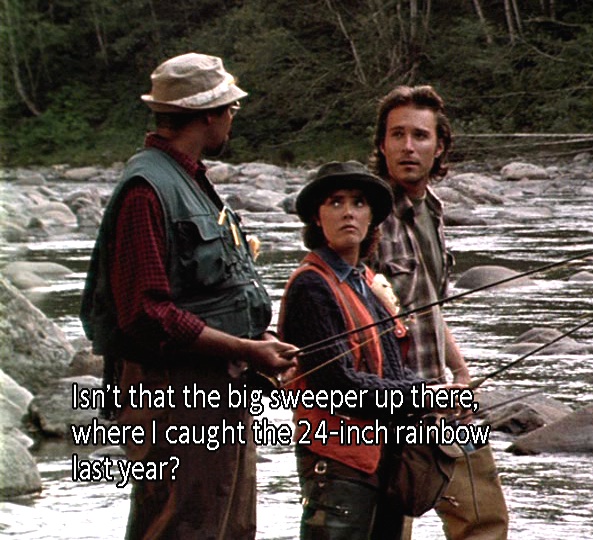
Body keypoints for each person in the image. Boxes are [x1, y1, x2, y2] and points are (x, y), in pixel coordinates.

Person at [80, 52, 298, 540]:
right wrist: (244, 349)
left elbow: (204, 293)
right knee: (182, 528)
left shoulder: (187, 179)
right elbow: (146, 313)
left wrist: (257, 340)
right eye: (230, 109)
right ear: (207, 116)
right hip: (172, 398)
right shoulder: (147, 189)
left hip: (215, 390)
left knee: (230, 528)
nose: (232, 119)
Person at [278, 161, 460, 540]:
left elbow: (393, 369)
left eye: (359, 203)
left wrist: (434, 393)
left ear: (372, 217)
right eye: (336, 202)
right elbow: (336, 384)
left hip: (380, 457)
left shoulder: (368, 281)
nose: (348, 212)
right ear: (317, 218)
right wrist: (421, 395)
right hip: (336, 461)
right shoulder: (311, 286)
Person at [368, 85, 509, 540]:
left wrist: (461, 371)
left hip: (444, 400)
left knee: (484, 519)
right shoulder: (367, 216)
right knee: (389, 529)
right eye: (397, 135)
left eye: (420, 136)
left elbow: (429, 307)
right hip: (389, 407)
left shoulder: (433, 210)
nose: (408, 147)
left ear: (440, 146)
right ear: (382, 144)